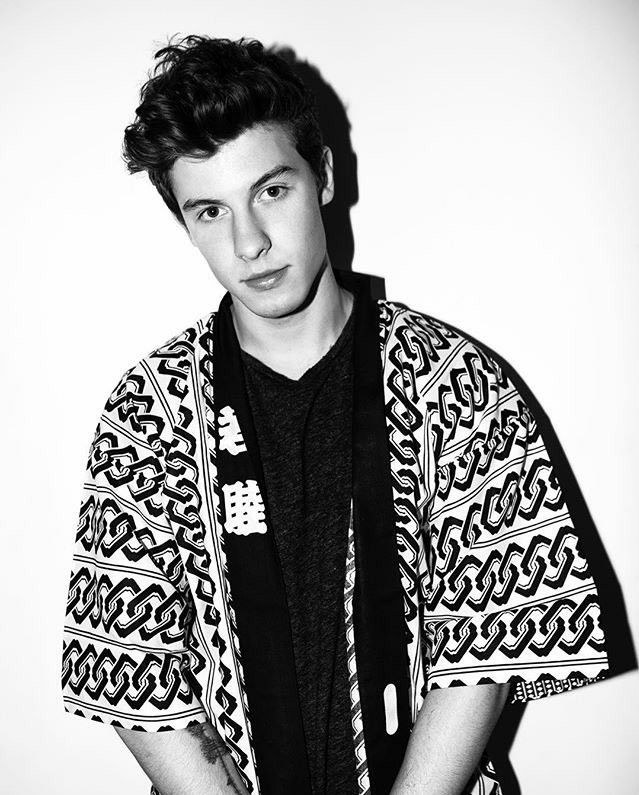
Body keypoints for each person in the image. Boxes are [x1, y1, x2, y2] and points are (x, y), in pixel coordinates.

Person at [60, 35, 610, 795]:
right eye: (210, 211)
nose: (249, 242)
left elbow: (490, 643)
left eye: (270, 191)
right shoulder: (150, 406)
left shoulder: (451, 380)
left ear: (322, 175)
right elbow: (125, 663)